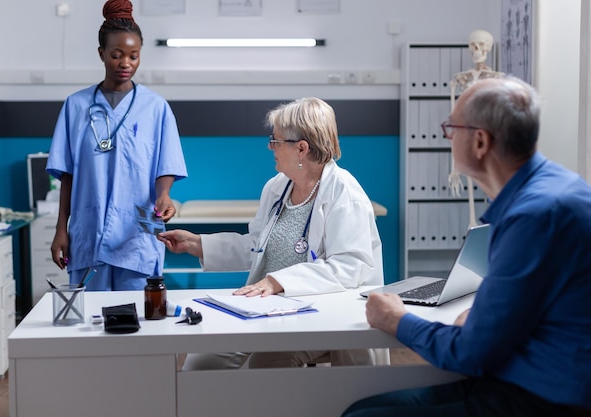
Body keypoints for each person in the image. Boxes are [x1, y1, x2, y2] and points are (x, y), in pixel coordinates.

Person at [342, 77, 591, 417]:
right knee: (363, 407)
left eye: (451, 128)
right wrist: (482, 318)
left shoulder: (532, 216)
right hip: (533, 374)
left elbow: (471, 353)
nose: (447, 137)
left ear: (479, 141)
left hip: (543, 397)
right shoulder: (559, 188)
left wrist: (397, 319)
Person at [158, 97, 384, 369]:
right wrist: (196, 244)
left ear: (302, 148)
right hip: (267, 309)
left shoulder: (344, 193)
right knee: (202, 362)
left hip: (321, 313)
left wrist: (278, 282)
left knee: (267, 363)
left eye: (276, 141)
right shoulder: (278, 187)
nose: (270, 146)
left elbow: (349, 267)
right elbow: (258, 246)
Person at [46, 0, 187, 291]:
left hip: (140, 227)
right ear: (102, 54)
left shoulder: (156, 108)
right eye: (117, 55)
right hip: (88, 226)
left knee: (139, 320)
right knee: (91, 324)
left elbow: (165, 163)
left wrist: (164, 196)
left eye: (134, 56)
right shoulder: (76, 106)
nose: (126, 63)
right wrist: (61, 229)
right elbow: (68, 175)